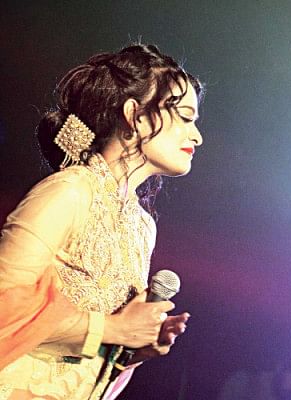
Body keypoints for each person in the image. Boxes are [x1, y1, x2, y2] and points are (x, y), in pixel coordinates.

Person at [0, 43, 203, 400]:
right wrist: (112, 328)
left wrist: (133, 347)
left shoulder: (143, 228)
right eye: (185, 117)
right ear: (136, 116)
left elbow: (95, 355)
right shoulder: (69, 192)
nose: (197, 136)